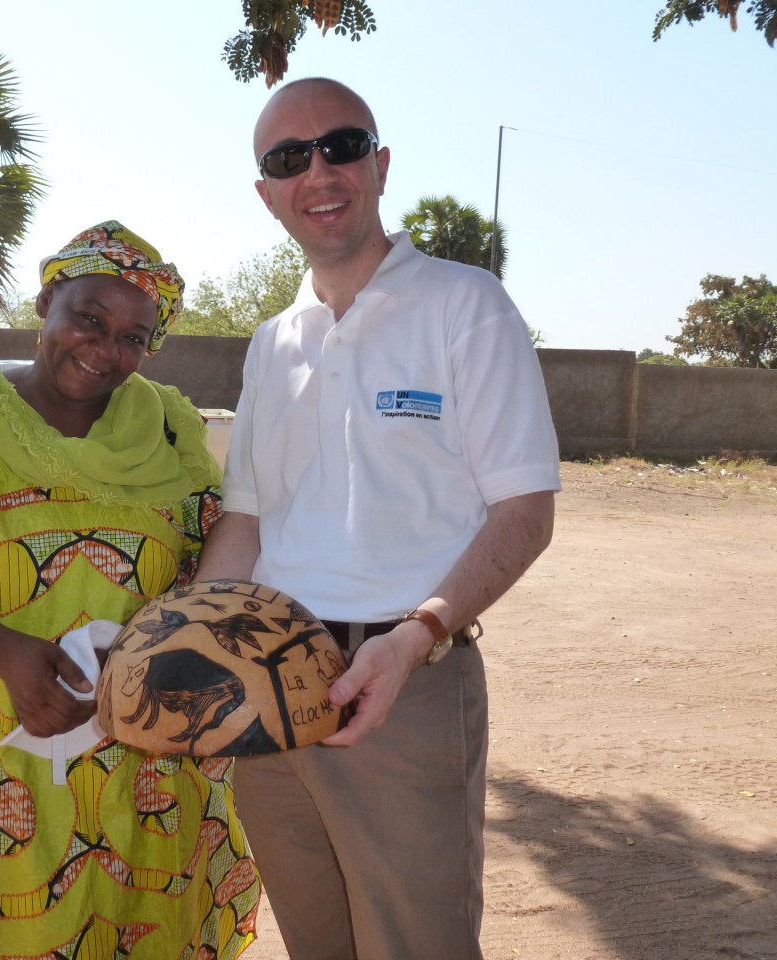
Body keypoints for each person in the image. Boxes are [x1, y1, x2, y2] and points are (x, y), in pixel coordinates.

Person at [194, 79, 561, 959]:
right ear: (267, 193)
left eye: (342, 145)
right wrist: (190, 649)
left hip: (405, 686)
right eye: (290, 158)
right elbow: (245, 524)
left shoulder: (466, 305)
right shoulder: (271, 343)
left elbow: (525, 510)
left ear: (381, 164)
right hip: (270, 689)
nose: (319, 171)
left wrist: (415, 636)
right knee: (315, 944)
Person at [0, 222, 261, 960]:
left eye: (133, 338)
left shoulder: (171, 429)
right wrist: (4, 653)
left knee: (154, 925)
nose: (104, 349)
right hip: (1, 746)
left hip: (151, 750)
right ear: (45, 304)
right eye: (88, 318)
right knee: (20, 930)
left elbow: (211, 564)